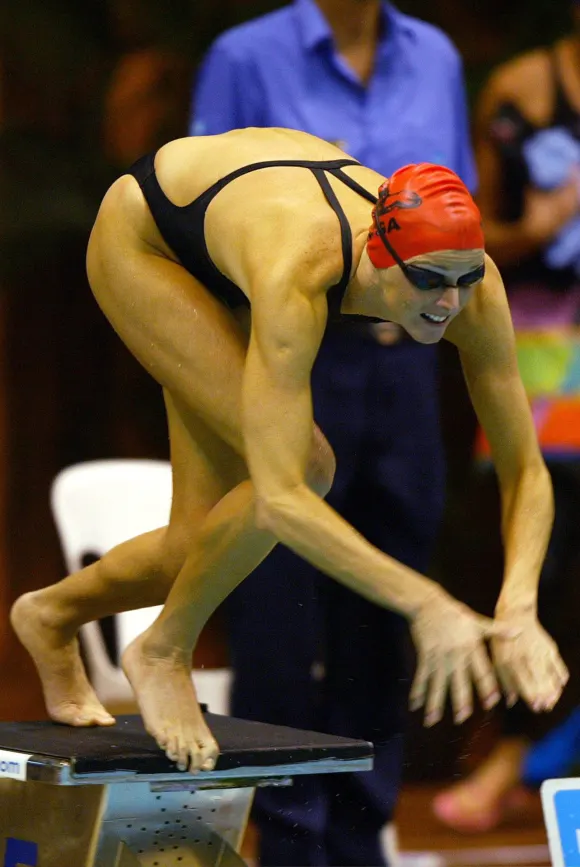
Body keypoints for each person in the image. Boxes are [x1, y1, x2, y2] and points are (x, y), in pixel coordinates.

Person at [10, 129, 567, 791]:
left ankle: (50, 614)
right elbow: (280, 495)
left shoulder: (471, 286)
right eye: (428, 281)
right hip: (152, 238)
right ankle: (163, 648)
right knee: (305, 467)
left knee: (198, 545)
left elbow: (525, 469)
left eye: (464, 279)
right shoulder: (299, 271)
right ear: (379, 256)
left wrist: (520, 607)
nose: (448, 302)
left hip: (236, 230)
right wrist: (426, 603)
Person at [189, 4, 477, 861]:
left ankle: (360, 835)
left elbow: (457, 210)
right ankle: (284, 838)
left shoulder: (436, 55)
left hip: (408, 360)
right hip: (295, 350)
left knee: (384, 606)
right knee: (279, 598)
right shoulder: (243, 55)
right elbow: (211, 231)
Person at [432, 6, 580, 834]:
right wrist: (540, 224)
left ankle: (541, 756)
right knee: (544, 565)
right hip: (545, 355)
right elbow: (468, 233)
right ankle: (511, 753)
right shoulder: (525, 88)